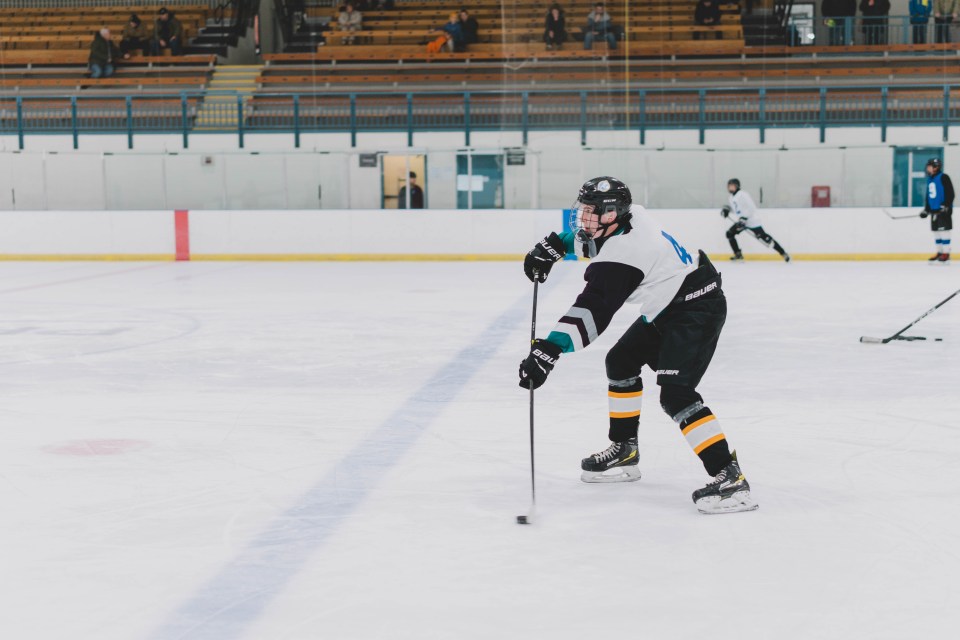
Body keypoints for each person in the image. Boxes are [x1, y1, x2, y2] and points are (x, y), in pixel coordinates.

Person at [518, 177, 758, 515]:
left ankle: (731, 478)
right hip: (670, 301)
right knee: (621, 362)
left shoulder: (627, 253)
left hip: (697, 307)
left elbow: (592, 312)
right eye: (584, 210)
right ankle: (625, 449)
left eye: (591, 212)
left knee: (677, 394)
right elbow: (596, 241)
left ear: (612, 213)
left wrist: (549, 351)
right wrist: (557, 244)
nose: (583, 218)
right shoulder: (631, 218)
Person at [721, 178, 791, 262]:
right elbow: (737, 210)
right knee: (729, 234)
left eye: (731, 186)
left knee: (765, 238)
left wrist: (744, 218)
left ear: (736, 186)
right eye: (728, 186)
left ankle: (783, 253)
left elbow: (751, 207)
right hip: (741, 222)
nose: (729, 188)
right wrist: (727, 210)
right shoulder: (731, 198)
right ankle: (738, 254)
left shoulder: (742, 194)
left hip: (752, 221)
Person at [920, 158, 953, 263]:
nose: (927, 168)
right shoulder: (930, 179)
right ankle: (939, 252)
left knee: (944, 231)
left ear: (936, 167)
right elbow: (928, 196)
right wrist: (926, 209)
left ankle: (946, 253)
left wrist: (946, 205)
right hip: (934, 210)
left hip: (943, 210)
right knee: (936, 232)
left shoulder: (944, 177)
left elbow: (950, 192)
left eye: (929, 166)